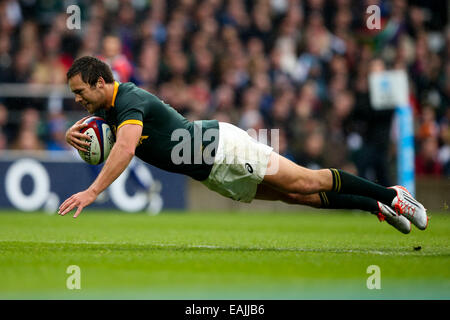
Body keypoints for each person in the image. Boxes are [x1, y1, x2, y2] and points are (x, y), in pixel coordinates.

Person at [59, 56, 429, 234]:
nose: (77, 99)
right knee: (296, 196)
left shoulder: (129, 101)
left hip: (222, 147)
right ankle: (377, 206)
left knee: (307, 181)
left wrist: (92, 191)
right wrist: (68, 135)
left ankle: (394, 194)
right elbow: (103, 134)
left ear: (100, 82)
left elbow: (123, 149)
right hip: (212, 172)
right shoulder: (109, 108)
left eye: (80, 92)